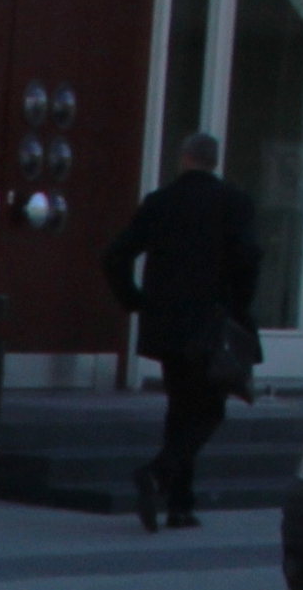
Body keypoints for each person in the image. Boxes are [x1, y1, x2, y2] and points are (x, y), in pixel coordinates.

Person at [98, 135, 261, 533]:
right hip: (212, 323)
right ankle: (161, 474)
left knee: (180, 408)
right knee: (209, 409)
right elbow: (249, 259)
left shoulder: (160, 202)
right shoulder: (234, 203)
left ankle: (179, 503)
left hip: (167, 322)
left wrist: (135, 300)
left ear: (184, 158)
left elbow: (115, 255)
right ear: (215, 161)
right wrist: (239, 309)